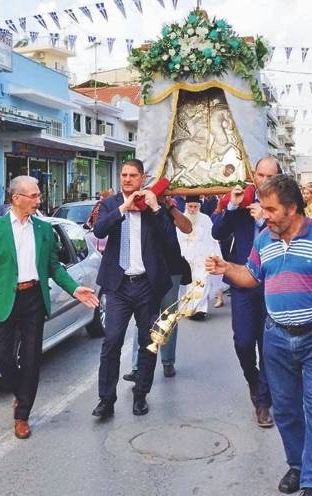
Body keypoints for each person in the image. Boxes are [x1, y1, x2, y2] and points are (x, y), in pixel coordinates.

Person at [207, 174, 312, 496]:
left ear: (292, 208)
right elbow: (251, 275)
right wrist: (226, 268)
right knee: (286, 410)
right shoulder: (264, 239)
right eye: (264, 208)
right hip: (276, 337)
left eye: (272, 209)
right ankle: (297, 465)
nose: (266, 215)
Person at [0, 176, 98, 440]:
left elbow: (53, 267)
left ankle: (22, 415)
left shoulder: (43, 229)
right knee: (1, 355)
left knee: (31, 359)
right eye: (34, 196)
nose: (38, 201)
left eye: (39, 196)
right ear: (16, 198)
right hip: (4, 299)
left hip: (33, 299)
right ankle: (22, 393)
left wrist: (75, 288)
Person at [91, 159, 178, 420]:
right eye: (124, 175)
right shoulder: (110, 203)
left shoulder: (154, 204)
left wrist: (155, 209)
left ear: (142, 178)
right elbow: (99, 229)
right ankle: (106, 401)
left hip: (147, 286)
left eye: (132, 175)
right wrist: (122, 209)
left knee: (147, 342)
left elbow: (170, 241)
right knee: (111, 342)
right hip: (118, 286)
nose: (127, 179)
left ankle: (140, 395)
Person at [212, 156, 281, 428]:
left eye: (269, 177)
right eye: (260, 175)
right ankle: (253, 381)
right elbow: (218, 232)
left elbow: (289, 237)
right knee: (243, 342)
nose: (263, 181)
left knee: (267, 346)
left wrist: (265, 221)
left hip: (272, 284)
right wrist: (231, 204)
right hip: (242, 281)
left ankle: (263, 403)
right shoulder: (240, 204)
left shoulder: (283, 207)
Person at [123, 195, 192, 381]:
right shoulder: (137, 204)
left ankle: (168, 361)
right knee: (142, 316)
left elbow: (187, 227)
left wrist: (170, 208)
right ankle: (137, 367)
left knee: (168, 316)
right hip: (146, 269)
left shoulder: (167, 207)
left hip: (170, 267)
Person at [178, 196, 221, 320]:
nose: (192, 209)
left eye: (195, 206)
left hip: (202, 255)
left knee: (203, 281)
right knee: (189, 284)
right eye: (190, 206)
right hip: (186, 256)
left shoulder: (206, 219)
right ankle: (189, 308)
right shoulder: (180, 218)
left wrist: (213, 254)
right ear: (186, 206)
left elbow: (212, 237)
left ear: (199, 206)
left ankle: (200, 309)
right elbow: (177, 238)